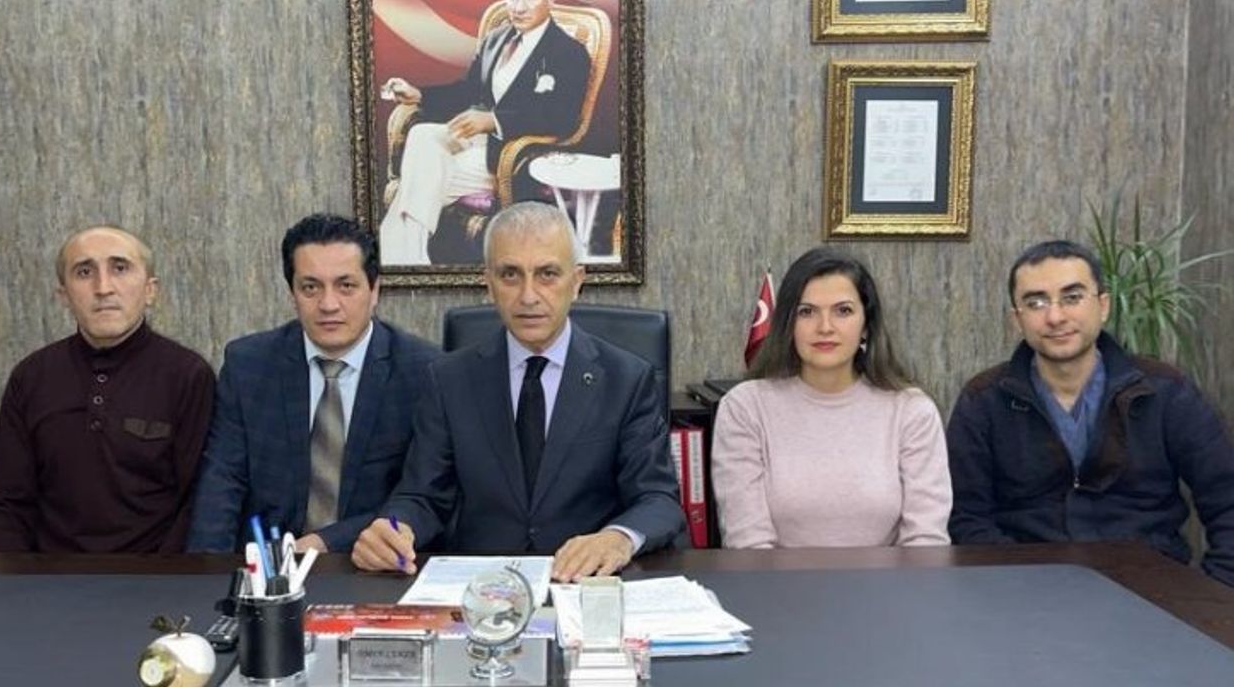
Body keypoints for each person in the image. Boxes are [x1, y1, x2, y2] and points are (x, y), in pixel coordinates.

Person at [352, 202, 684, 581]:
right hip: (479, 589)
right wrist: (395, 529)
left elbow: (658, 499)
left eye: (547, 274)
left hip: (584, 583)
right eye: (510, 275)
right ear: (488, 282)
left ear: (577, 281)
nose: (528, 296)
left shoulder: (627, 379)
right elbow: (422, 496)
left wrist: (618, 538)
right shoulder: (449, 380)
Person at [947, 240, 1234, 587]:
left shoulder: (1164, 391)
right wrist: (1018, 587)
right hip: (1025, 593)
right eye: (1036, 302)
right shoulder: (983, 400)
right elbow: (968, 519)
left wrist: (1213, 592)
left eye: (1072, 297)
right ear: (1017, 319)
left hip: (1152, 591)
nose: (1055, 317)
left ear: (1103, 305)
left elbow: (1226, 501)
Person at [187, 214, 439, 554]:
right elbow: (222, 482)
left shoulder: (424, 371)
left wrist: (326, 542)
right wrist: (207, 572)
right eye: (311, 287)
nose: (328, 305)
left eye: (345, 286)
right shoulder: (249, 365)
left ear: (374, 289)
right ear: (292, 292)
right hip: (270, 566)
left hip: (372, 562)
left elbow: (422, 495)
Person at [0, 226, 215, 552]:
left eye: (120, 268)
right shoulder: (31, 376)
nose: (103, 288)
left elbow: (198, 502)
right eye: (84, 272)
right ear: (64, 295)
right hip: (46, 575)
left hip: (154, 574)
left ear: (150, 290)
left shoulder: (188, 375)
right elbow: (7, 502)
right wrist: (7, 578)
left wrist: (166, 577)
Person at [711, 247, 951, 548]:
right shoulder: (745, 408)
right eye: (807, 312)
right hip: (773, 577)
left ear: (866, 326)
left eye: (843, 311)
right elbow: (748, 542)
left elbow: (926, 540)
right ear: (788, 324)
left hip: (890, 578)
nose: (825, 327)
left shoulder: (912, 410)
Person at [377, 0, 592, 265]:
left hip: (511, 154)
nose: (519, 6)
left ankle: (402, 263)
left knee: (419, 180)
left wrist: (495, 120)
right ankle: (410, 260)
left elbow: (562, 118)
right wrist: (419, 94)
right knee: (421, 135)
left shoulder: (569, 52)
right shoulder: (496, 39)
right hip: (475, 140)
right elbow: (468, 91)